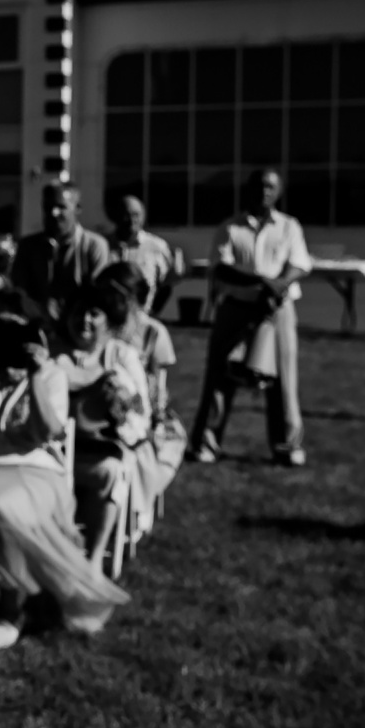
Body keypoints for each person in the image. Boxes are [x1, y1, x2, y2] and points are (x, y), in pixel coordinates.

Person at [0, 298, 129, 647]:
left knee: (5, 505)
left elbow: (46, 432)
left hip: (35, 469)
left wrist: (34, 376)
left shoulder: (51, 375)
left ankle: (11, 609)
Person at [192, 167, 312, 467]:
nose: (264, 192)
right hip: (235, 308)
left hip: (277, 311)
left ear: (279, 192)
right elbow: (221, 267)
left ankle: (287, 446)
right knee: (220, 377)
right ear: (248, 189)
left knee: (283, 381)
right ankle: (206, 443)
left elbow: (299, 264)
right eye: (259, 186)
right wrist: (260, 282)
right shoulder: (230, 228)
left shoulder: (289, 227)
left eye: (271, 187)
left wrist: (278, 286)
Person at [56, 280, 152, 564]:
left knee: (111, 473)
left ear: (108, 321)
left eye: (93, 314)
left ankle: (94, 559)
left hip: (101, 452)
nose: (84, 320)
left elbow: (139, 413)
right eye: (77, 312)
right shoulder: (52, 353)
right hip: (54, 453)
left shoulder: (121, 357)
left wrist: (120, 404)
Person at [94, 260, 186, 508]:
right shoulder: (97, 324)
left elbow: (158, 384)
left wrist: (153, 417)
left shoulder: (153, 332)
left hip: (137, 407)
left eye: (117, 295)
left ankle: (133, 503)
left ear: (133, 297)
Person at [10, 182, 113, 329]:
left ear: (77, 208)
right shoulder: (28, 246)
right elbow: (19, 290)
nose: (53, 213)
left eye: (61, 207)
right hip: (37, 328)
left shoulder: (94, 246)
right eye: (48, 207)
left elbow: (98, 295)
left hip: (80, 329)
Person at [106, 190, 183, 320]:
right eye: (126, 215)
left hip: (142, 317)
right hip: (109, 318)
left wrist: (153, 313)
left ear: (143, 216)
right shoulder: (104, 245)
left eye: (136, 215)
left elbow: (166, 286)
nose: (131, 220)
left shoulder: (157, 246)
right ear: (115, 216)